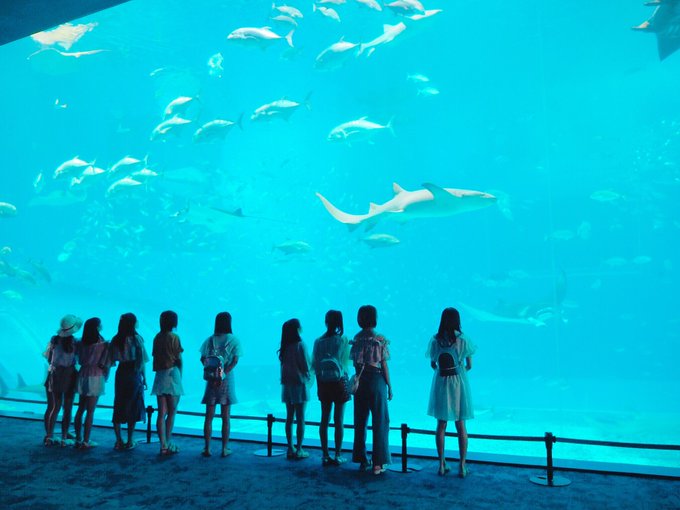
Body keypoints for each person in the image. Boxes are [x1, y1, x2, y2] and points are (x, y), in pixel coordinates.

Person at [426, 307, 476, 477]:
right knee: (460, 424)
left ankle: (441, 464)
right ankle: (462, 465)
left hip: (441, 382)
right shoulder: (463, 339)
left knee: (441, 424)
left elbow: (433, 364)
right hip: (458, 382)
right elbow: (469, 365)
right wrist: (459, 370)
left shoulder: (435, 340)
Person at [350, 305, 392, 475]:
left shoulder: (357, 338)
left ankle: (362, 459)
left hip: (361, 381)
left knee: (360, 420)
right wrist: (389, 386)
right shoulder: (379, 339)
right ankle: (378, 463)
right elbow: (384, 364)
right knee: (380, 420)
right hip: (376, 379)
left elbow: (355, 363)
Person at [198, 311, 242, 457]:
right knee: (226, 416)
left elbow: (203, 359)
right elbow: (235, 361)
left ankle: (207, 448)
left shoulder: (209, 340)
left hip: (211, 379)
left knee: (209, 416)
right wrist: (223, 374)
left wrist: (212, 371)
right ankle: (224, 448)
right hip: (226, 379)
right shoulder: (234, 340)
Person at [312, 310, 350, 466]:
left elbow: (315, 365)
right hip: (339, 382)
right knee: (339, 420)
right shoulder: (343, 340)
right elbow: (346, 363)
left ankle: (325, 454)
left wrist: (319, 382)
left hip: (323, 382)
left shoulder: (318, 341)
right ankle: (338, 454)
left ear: (326, 321)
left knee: (324, 419)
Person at [110, 312, 148, 451]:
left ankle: (118, 440)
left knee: (119, 403)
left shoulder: (116, 339)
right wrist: (144, 378)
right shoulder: (137, 339)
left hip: (121, 372)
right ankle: (130, 440)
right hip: (133, 372)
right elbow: (141, 361)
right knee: (133, 404)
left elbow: (112, 359)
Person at [43, 314, 82, 446]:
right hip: (69, 374)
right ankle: (64, 437)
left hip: (54, 374)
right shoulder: (75, 342)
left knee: (55, 407)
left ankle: (49, 436)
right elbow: (79, 358)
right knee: (68, 407)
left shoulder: (54, 340)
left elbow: (48, 358)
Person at [151, 310, 184, 455]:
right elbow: (179, 359)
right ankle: (168, 441)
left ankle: (163, 445)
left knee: (161, 413)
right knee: (172, 411)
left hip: (160, 375)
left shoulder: (157, 337)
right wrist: (180, 376)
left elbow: (155, 357)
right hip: (172, 374)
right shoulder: (174, 337)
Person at [73, 317, 110, 449]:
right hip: (96, 376)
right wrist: (105, 376)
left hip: (82, 374)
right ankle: (86, 440)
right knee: (90, 411)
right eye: (100, 324)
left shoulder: (79, 342)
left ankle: (78, 438)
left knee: (80, 408)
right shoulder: (104, 344)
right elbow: (106, 364)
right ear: (97, 327)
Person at [278, 318, 312, 460]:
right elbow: (305, 365)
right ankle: (299, 449)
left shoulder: (285, 346)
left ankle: (290, 447)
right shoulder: (300, 345)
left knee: (289, 417)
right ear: (297, 329)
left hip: (287, 385)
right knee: (301, 417)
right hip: (299, 385)